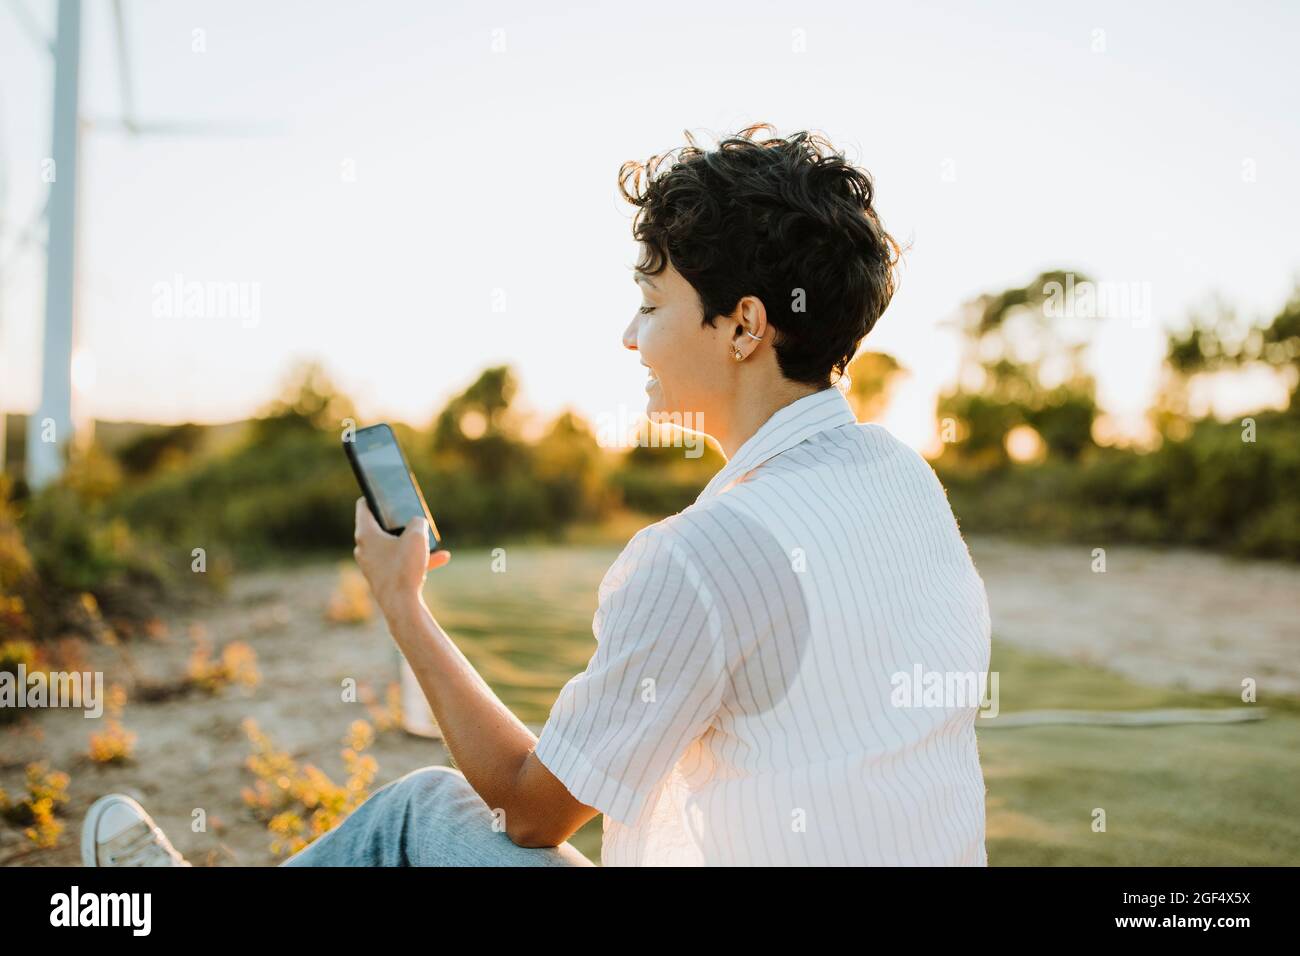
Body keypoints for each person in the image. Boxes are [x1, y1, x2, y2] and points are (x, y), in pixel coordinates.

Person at [83, 123, 991, 867]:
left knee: (422, 815)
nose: (630, 336)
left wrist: (403, 606)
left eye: (652, 302)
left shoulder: (709, 555)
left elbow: (531, 811)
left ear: (744, 324)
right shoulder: (905, 480)